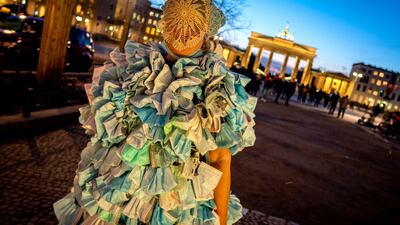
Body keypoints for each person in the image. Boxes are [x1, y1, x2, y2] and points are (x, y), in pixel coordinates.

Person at [53, 1, 257, 225]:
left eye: (187, 29)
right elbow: (220, 160)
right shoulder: (141, 71)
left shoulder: (135, 73)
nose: (182, 34)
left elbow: (219, 159)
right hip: (142, 202)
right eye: (179, 26)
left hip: (140, 203)